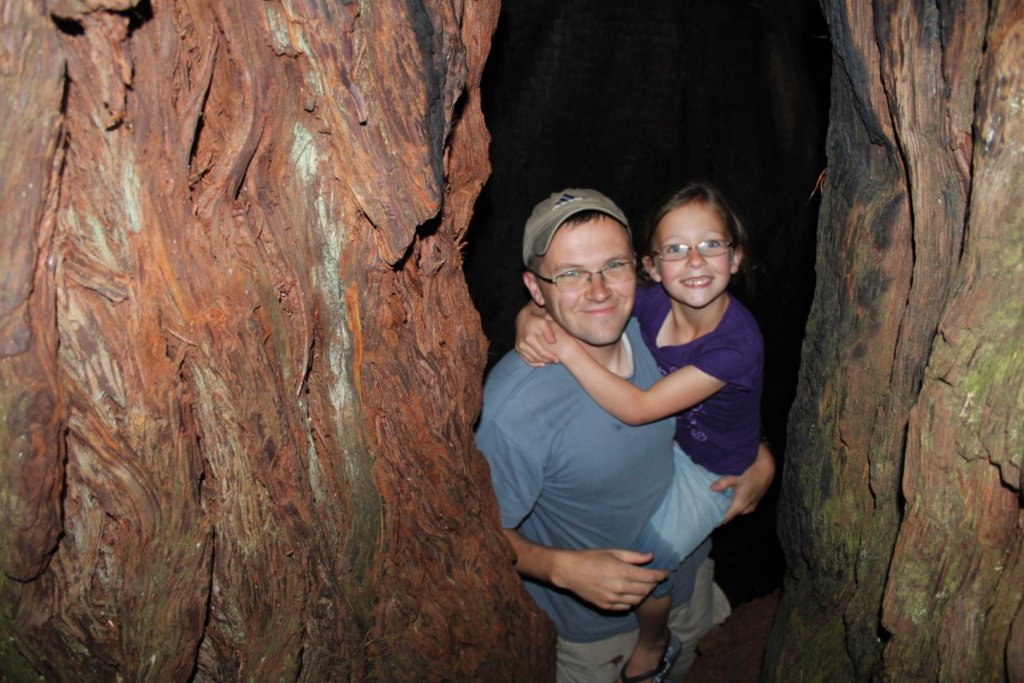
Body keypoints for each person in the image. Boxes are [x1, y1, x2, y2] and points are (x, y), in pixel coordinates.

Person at [476, 188, 774, 682]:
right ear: (536, 288)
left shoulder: (650, 324)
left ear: (636, 270)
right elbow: (479, 534)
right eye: (570, 274)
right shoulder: (516, 410)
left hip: (691, 579)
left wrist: (761, 454)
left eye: (612, 266)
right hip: (601, 634)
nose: (598, 292)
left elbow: (721, 402)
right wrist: (559, 569)